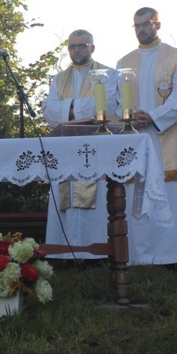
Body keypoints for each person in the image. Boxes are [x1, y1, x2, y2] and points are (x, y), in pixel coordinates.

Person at [116, 7, 177, 265]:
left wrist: (153, 116)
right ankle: (141, 256)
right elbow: (117, 101)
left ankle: (176, 254)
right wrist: (129, 116)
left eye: (146, 24)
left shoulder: (176, 56)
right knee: (139, 193)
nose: (141, 29)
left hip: (167, 136)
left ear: (157, 25)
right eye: (137, 25)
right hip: (136, 136)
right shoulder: (124, 62)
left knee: (173, 192)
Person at [42, 29, 117, 260]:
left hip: (96, 145)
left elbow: (107, 106)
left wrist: (68, 108)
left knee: (96, 197)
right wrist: (80, 107)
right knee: (66, 197)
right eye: (73, 46)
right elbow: (48, 111)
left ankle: (96, 254)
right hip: (66, 147)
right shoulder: (59, 78)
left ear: (92, 47)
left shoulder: (108, 74)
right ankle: (65, 253)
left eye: (82, 45)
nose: (77, 50)